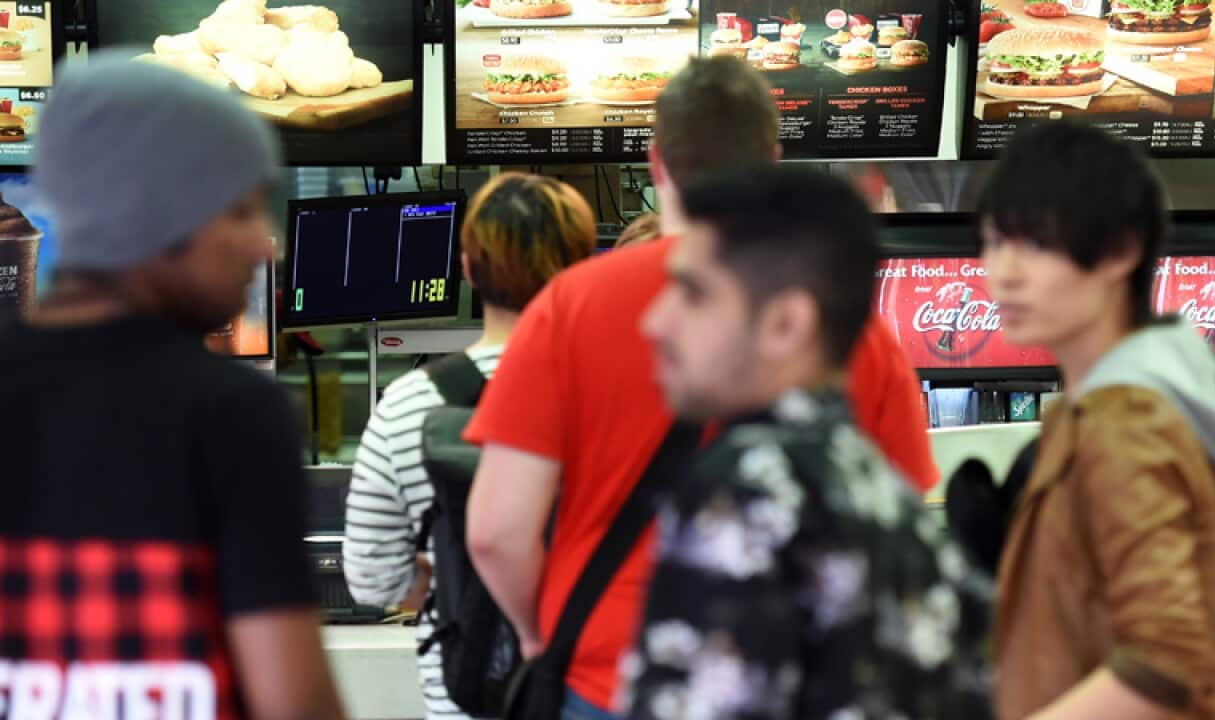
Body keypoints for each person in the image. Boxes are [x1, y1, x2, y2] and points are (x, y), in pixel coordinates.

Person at [463, 56, 936, 720]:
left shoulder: (569, 306)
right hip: (789, 682)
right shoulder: (851, 331)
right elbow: (898, 529)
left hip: (608, 679)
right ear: (772, 159)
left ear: (657, 162)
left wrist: (542, 635)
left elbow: (496, 531)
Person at [0, 53, 344, 719]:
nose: (265, 245)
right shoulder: (231, 411)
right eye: (241, 211)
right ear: (162, 216)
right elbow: (292, 700)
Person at [623, 163, 990, 719]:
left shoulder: (747, 484)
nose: (656, 320)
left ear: (786, 324)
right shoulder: (877, 488)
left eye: (693, 294)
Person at [979, 122, 1215, 720]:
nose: (1002, 272)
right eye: (992, 242)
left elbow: (1167, 663)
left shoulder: (1128, 422)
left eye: (1034, 244)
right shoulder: (1111, 407)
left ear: (1120, 252)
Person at [344, 173, 597, 720]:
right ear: (583, 266)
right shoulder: (619, 392)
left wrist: (454, 581)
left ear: (466, 268)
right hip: (592, 689)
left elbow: (370, 576)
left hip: (468, 692)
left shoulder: (407, 404)